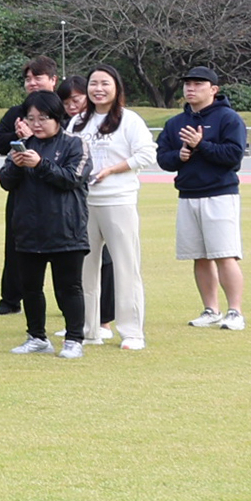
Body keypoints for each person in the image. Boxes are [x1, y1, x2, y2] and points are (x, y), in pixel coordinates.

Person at [0, 95, 96, 356]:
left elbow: (73, 178)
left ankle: (74, 339)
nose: (37, 124)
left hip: (65, 228)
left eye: (43, 118)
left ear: (57, 117)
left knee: (69, 287)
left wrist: (40, 164)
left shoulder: (75, 144)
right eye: (31, 118)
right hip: (28, 229)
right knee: (30, 288)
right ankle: (36, 336)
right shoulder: (22, 145)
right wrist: (17, 167)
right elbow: (5, 181)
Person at [74, 65, 157, 349]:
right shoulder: (78, 122)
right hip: (84, 203)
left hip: (118, 200)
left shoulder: (129, 120)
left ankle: (132, 332)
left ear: (116, 87)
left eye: (104, 83)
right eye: (93, 83)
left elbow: (146, 154)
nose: (98, 88)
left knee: (126, 266)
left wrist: (111, 170)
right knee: (85, 268)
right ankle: (89, 329)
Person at [164, 68, 250, 329]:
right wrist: (179, 156)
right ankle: (211, 309)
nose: (191, 88)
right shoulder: (175, 122)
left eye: (198, 84)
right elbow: (162, 157)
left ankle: (235, 312)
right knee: (199, 256)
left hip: (220, 194)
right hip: (188, 195)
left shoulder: (228, 119)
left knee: (225, 254)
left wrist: (202, 145)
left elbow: (234, 156)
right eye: (187, 84)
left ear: (214, 89)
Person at [0, 58, 62, 319]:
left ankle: (66, 300)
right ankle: (11, 298)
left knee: (63, 249)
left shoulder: (62, 109)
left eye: (38, 77)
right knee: (15, 243)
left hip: (55, 186)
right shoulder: (16, 112)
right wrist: (19, 137)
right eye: (28, 79)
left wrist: (32, 133)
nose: (32, 83)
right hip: (21, 186)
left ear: (53, 80)